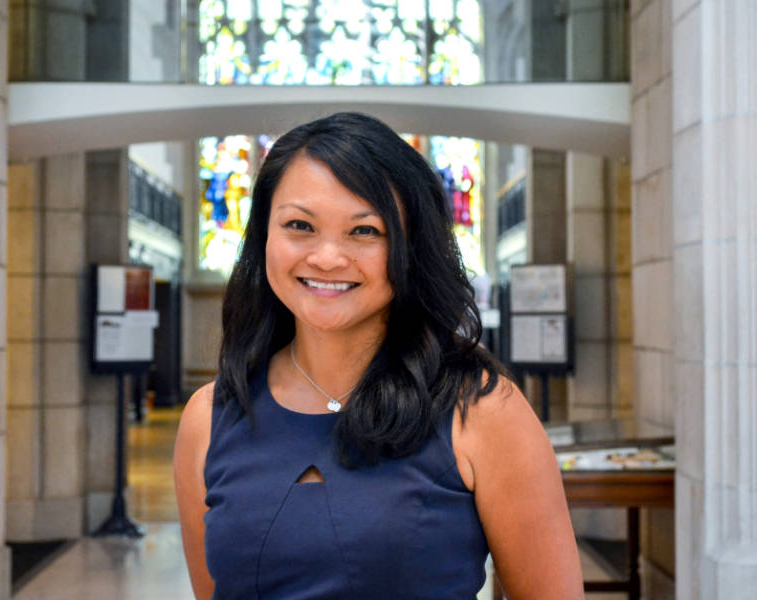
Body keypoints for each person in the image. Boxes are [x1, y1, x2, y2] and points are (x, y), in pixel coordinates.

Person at [174, 112, 583, 599]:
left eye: (364, 231)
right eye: (299, 225)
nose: (327, 257)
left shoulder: (481, 412)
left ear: (411, 247)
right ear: (264, 236)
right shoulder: (211, 416)